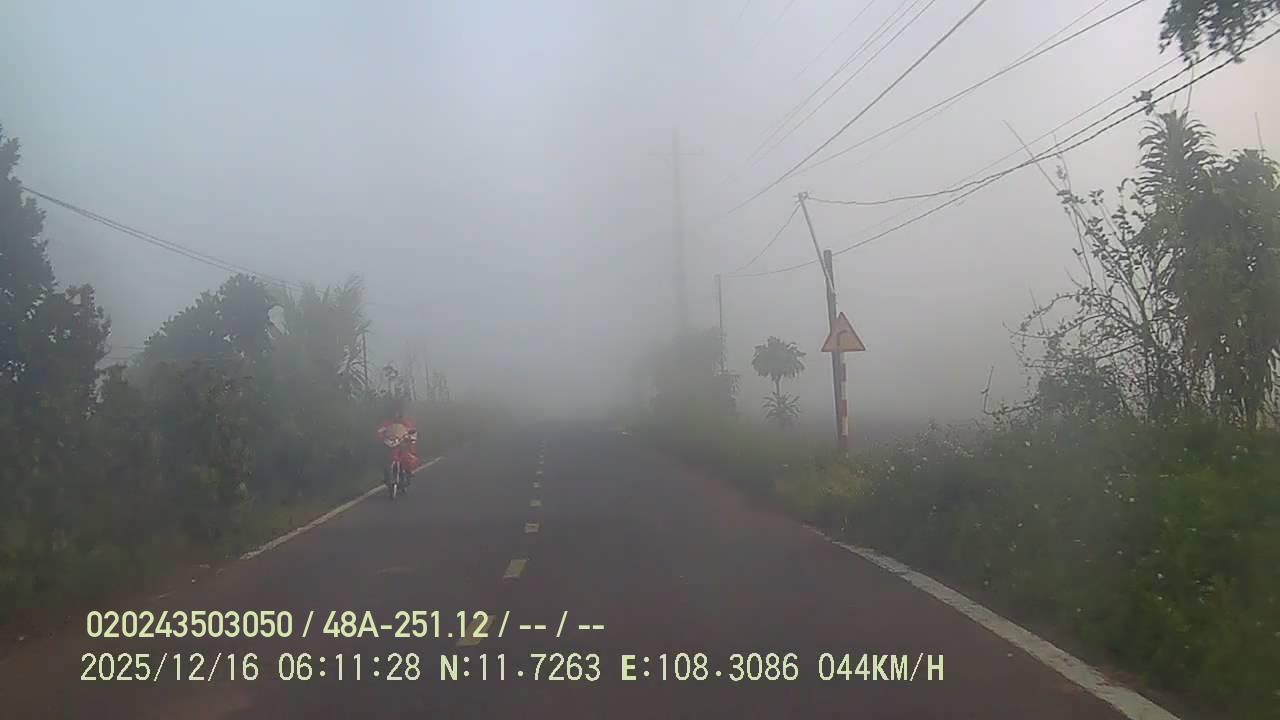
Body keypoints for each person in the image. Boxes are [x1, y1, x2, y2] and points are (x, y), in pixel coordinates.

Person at [377, 396, 419, 489]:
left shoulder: (405, 423)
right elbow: (380, 430)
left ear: (400, 413)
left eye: (397, 412)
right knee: (385, 459)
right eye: (394, 413)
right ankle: (387, 476)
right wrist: (381, 437)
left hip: (402, 443)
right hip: (390, 444)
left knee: (408, 456)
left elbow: (412, 431)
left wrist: (410, 438)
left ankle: (408, 471)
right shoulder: (388, 423)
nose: (395, 414)